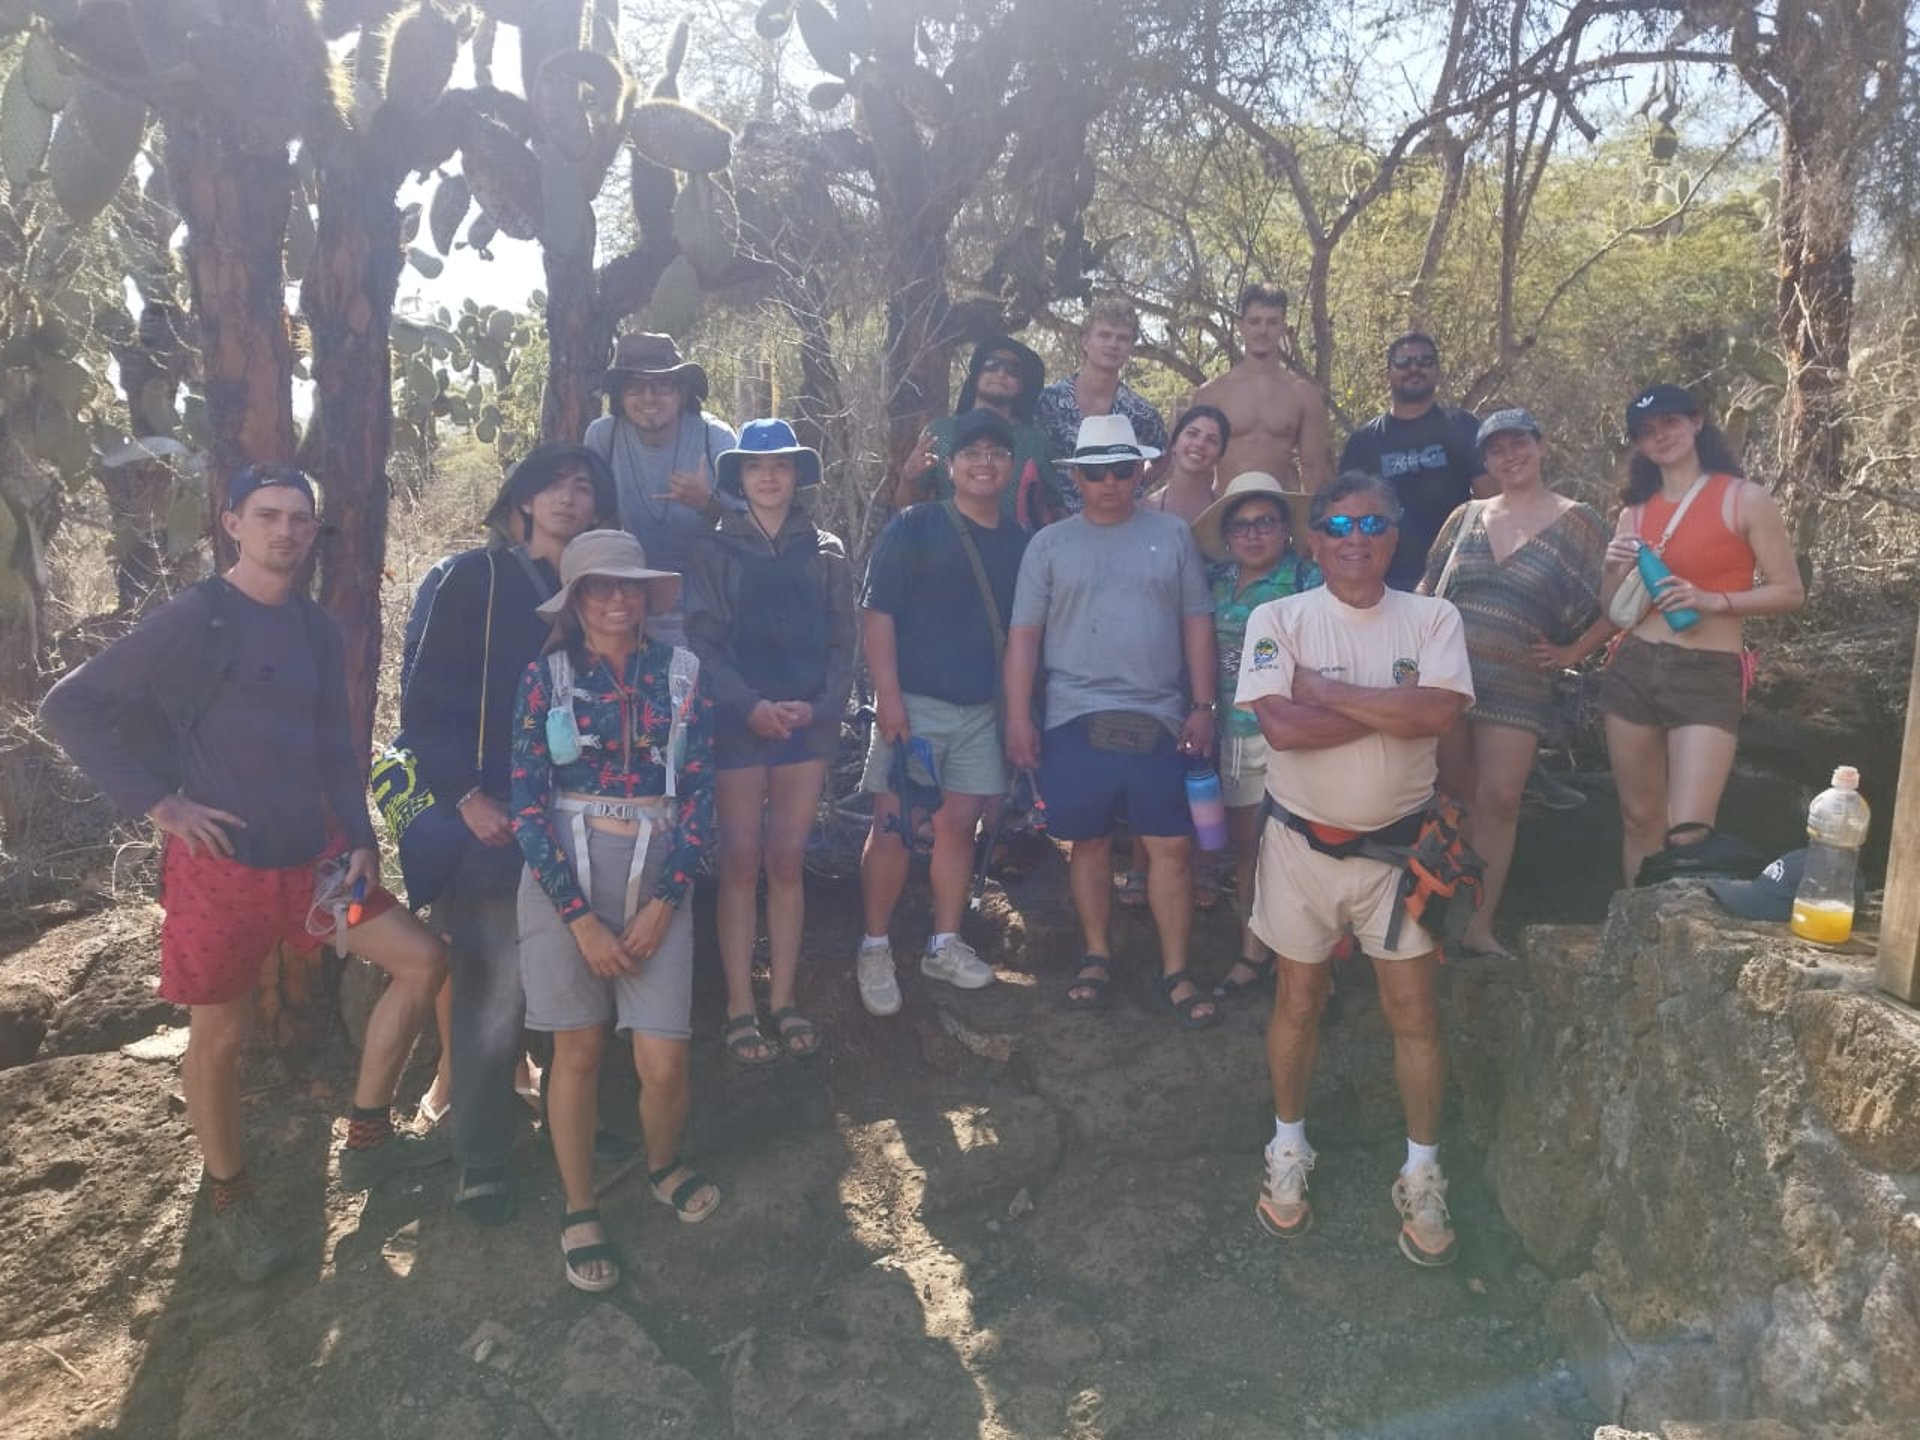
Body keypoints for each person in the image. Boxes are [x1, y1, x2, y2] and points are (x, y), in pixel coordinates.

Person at [40, 464, 448, 1283]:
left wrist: (360, 835)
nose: (285, 530)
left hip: (318, 870)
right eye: (267, 515)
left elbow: (335, 742)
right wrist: (161, 804)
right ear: (231, 523)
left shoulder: (315, 628)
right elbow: (67, 707)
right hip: (220, 875)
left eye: (299, 517)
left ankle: (368, 1137)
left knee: (424, 960)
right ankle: (231, 1196)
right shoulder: (196, 618)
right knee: (221, 1037)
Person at [1236, 471, 1475, 1267]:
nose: (1354, 539)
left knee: (1415, 1012)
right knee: (1297, 998)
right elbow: (1282, 729)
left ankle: (1423, 1171)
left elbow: (1440, 713)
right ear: (1314, 542)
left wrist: (1325, 691)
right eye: (1337, 526)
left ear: (1394, 536)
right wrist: (1390, 708)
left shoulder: (1433, 617)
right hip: (1299, 848)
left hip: (1401, 855)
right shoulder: (1279, 618)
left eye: (1371, 524)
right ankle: (1287, 1148)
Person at [400, 445, 616, 1222]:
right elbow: (424, 704)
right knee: (492, 990)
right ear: (521, 500)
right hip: (495, 820)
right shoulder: (477, 579)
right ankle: (484, 1154)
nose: (568, 498)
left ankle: (584, 1126)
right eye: (552, 485)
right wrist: (464, 798)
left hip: (586, 816)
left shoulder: (603, 589)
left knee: (585, 978)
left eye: (584, 487)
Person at [511, 529, 721, 1292]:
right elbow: (526, 805)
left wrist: (666, 902)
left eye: (628, 585)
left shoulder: (683, 675)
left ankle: (663, 1164)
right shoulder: (546, 679)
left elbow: (699, 794)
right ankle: (579, 1206)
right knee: (577, 1051)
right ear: (575, 602)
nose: (615, 600)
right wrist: (578, 918)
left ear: (646, 595)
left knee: (663, 1058)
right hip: (563, 874)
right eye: (598, 587)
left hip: (658, 872)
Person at [1003, 414, 1221, 1028]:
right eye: (1096, 471)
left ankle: (1176, 969)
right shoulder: (1048, 546)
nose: (1109, 482)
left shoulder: (1172, 537)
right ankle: (1096, 954)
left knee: (1171, 845)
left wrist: (1203, 706)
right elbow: (1024, 638)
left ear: (1140, 470)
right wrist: (1018, 717)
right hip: (1074, 713)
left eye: (1121, 470)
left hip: (1160, 713)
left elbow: (1196, 624)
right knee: (1090, 840)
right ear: (1076, 476)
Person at [686, 419, 857, 1065]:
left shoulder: (827, 550)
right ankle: (739, 1005)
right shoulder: (714, 549)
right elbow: (701, 641)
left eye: (780, 465)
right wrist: (748, 705)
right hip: (738, 724)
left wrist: (819, 709)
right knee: (740, 861)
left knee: (786, 860)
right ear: (739, 476)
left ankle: (783, 999)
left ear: (796, 475)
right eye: (756, 466)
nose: (768, 476)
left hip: (804, 728)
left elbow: (844, 642)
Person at [1419, 410, 1611, 956]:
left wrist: (1574, 651)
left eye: (1519, 443)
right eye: (1496, 449)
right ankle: (1435, 914)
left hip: (1519, 683)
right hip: (1446, 677)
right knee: (1450, 795)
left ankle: (1478, 926)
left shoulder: (1580, 522)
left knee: (1501, 799)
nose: (1510, 456)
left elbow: (1622, 599)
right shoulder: (1465, 516)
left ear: (1541, 445)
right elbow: (1427, 587)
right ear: (1485, 461)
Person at [855, 409, 1025, 1014]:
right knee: (894, 825)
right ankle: (874, 946)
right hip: (916, 705)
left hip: (982, 710)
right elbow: (878, 613)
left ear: (1011, 466)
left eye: (996, 453)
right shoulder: (916, 525)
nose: (984, 463)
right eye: (972, 453)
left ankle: (944, 944)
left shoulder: (1020, 543)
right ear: (949, 466)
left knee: (959, 827)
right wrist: (889, 699)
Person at [1599, 384, 1804, 885]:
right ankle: (1634, 927)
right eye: (1647, 431)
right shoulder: (1633, 513)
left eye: (1670, 422)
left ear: (1696, 422)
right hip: (1634, 667)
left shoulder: (1744, 499)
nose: (1660, 436)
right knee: (1639, 818)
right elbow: (1613, 610)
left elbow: (1790, 592)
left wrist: (1713, 600)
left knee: (1689, 832)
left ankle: (1678, 927)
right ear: (1638, 444)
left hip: (1707, 671)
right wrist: (1610, 569)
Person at [1190, 472, 1320, 998]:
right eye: (1241, 525)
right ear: (1226, 535)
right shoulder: (1214, 581)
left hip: (1293, 734)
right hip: (1231, 733)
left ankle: (1309, 963)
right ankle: (1253, 950)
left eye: (1265, 521)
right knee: (1249, 848)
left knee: (1301, 850)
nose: (1253, 533)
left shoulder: (1308, 580)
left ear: (1285, 527)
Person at [583, 332, 738, 643]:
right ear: (619, 395)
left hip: (710, 602)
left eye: (662, 384)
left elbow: (752, 534)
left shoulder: (714, 438)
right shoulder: (604, 437)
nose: (649, 397)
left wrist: (707, 505)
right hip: (628, 600)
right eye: (634, 386)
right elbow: (592, 520)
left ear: (682, 391)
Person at [1337, 333, 1490, 592]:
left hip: (1455, 574)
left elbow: (1490, 503)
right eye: (1403, 362)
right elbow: (1347, 515)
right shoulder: (1363, 441)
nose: (1414, 368)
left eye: (1424, 361)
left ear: (1437, 371)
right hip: (1385, 579)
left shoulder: (1464, 427)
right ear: (1387, 373)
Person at [896, 334, 1064, 529]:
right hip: (948, 543)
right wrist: (908, 477)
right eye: (991, 364)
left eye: (1012, 370)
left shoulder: (1036, 441)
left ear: (1021, 385)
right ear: (976, 375)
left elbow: (1056, 510)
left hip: (1018, 545)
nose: (1000, 373)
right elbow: (907, 508)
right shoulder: (939, 432)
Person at [1186, 284, 1333, 490]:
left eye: (1272, 322)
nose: (1263, 330)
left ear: (1283, 328)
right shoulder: (1211, 394)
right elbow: (1193, 468)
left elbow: (1314, 469)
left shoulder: (1303, 395)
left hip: (1281, 506)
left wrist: (1314, 512)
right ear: (1241, 326)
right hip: (1225, 505)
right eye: (1255, 322)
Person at [1036, 297, 1171, 511]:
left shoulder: (1140, 412)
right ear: (1085, 341)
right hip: (1056, 520)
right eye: (1105, 335)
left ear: (1131, 347)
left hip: (1119, 521)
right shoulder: (1048, 401)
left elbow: (1163, 457)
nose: (1113, 344)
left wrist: (1133, 488)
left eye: (1123, 338)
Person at [1142, 404, 1232, 524]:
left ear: (1219, 456)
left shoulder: (1227, 513)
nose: (1200, 444)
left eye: (1212, 440)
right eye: (1192, 434)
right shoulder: (1145, 510)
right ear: (1173, 444)